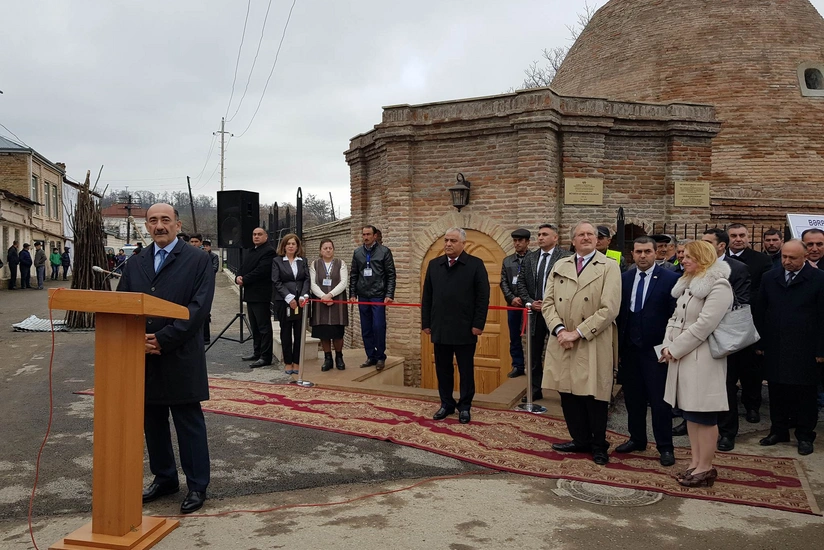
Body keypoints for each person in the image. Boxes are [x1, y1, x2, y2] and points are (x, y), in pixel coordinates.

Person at [118, 203, 215, 514]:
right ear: (146, 226)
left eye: (165, 220)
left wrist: (163, 339)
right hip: (143, 357)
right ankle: (165, 478)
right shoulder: (135, 263)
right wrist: (137, 340)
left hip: (180, 355)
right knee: (153, 422)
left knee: (188, 423)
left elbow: (198, 309)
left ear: (177, 224)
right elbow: (122, 304)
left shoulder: (198, 260)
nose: (159, 225)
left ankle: (197, 485)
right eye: (153, 221)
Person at [543, 221, 621, 465]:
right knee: (567, 392)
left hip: (591, 339)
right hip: (562, 339)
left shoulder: (609, 266)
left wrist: (577, 333)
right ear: (573, 240)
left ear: (597, 240)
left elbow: (609, 309)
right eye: (581, 234)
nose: (586, 238)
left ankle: (598, 445)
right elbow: (547, 303)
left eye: (590, 234)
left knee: (593, 395)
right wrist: (559, 330)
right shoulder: (560, 265)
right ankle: (579, 439)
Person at [660, 240, 734, 487]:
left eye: (689, 256)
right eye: (683, 256)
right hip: (682, 357)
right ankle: (695, 462)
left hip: (703, 360)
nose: (683, 260)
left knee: (705, 416)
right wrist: (666, 346)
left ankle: (706, 467)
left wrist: (675, 349)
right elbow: (675, 318)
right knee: (691, 414)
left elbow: (704, 325)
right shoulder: (688, 283)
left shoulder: (719, 285)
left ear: (702, 258)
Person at [616, 236, 680, 466]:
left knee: (660, 401)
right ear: (632, 254)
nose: (642, 256)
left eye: (647, 251)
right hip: (630, 350)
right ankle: (637, 439)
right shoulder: (624, 278)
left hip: (656, 351)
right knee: (633, 399)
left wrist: (669, 346)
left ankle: (665, 446)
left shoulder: (670, 279)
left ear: (656, 253)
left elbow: (675, 316)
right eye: (638, 252)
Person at [755, 240, 824, 455]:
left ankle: (804, 435)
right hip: (775, 344)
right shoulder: (770, 277)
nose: (786, 261)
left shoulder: (818, 279)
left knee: (805, 394)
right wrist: (760, 342)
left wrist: (821, 350)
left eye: (792, 258)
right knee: (776, 390)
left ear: (805, 257)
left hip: (805, 347)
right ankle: (778, 430)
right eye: (784, 256)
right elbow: (760, 310)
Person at [422, 228, 490, 424]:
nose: (448, 244)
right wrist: (426, 323)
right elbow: (427, 296)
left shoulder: (475, 264)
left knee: (466, 370)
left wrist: (478, 324)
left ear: (463, 244)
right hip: (440, 327)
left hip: (465, 328)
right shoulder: (434, 265)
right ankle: (446, 403)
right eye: (446, 240)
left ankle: (465, 406)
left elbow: (483, 297)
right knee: (443, 369)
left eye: (453, 241)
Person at [701, 228, 752, 451]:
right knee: (698, 382)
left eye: (708, 242)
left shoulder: (738, 268)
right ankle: (697, 421)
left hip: (723, 335)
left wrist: (710, 309)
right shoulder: (696, 265)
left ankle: (727, 431)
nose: (702, 246)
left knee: (725, 384)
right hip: (698, 334)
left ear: (721, 246)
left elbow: (741, 301)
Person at [725, 223, 773, 424]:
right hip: (724, 324)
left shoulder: (761, 260)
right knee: (728, 370)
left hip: (750, 320)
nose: (738, 239)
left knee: (751, 369)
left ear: (748, 237)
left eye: (742, 235)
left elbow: (763, 292)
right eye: (734, 235)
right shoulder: (720, 260)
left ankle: (752, 406)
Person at [516, 224, 571, 401]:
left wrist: (551, 304)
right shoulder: (530, 258)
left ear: (555, 238)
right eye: (539, 234)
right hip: (535, 313)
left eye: (545, 234)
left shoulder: (566, 257)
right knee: (533, 352)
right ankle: (535, 389)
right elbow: (521, 284)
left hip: (557, 313)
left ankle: (564, 392)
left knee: (560, 352)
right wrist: (531, 302)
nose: (540, 237)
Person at [350, 225, 396, 371]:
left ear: (375, 236)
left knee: (378, 326)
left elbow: (391, 274)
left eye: (368, 234)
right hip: (363, 294)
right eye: (364, 234)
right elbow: (354, 274)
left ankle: (381, 356)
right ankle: (371, 356)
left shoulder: (384, 252)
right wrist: (352, 294)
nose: (366, 237)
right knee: (366, 327)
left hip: (378, 295)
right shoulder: (357, 252)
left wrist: (389, 294)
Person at [236, 228, 276, 368]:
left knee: (263, 327)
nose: (256, 236)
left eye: (259, 234)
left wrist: (244, 279)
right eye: (254, 234)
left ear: (266, 236)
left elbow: (261, 271)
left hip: (261, 295)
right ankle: (257, 352)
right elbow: (243, 267)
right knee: (255, 327)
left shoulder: (269, 252)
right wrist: (238, 276)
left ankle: (266, 356)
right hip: (250, 294)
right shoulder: (252, 250)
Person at [272, 233, 310, 375]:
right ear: (284, 246)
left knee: (299, 332)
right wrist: (289, 298)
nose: (291, 246)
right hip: (284, 301)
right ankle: (288, 362)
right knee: (286, 332)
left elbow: (307, 279)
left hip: (300, 302)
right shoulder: (277, 261)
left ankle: (297, 362)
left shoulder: (303, 261)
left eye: (293, 244)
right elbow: (276, 281)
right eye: (288, 244)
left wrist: (303, 296)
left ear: (297, 246)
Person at [309, 239, 349, 371]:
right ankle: (328, 358)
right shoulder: (315, 264)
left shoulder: (341, 263)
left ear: (333, 250)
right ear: (320, 250)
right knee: (324, 332)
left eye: (330, 248)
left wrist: (330, 294)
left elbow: (343, 282)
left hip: (337, 302)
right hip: (321, 303)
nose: (328, 250)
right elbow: (312, 283)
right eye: (325, 248)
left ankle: (339, 357)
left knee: (337, 332)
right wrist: (323, 296)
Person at [500, 228, 531, 378]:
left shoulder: (533, 259)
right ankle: (517, 365)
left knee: (533, 336)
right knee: (514, 336)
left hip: (530, 305)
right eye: (515, 241)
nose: (517, 243)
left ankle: (534, 366)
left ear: (527, 242)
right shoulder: (507, 261)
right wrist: (512, 298)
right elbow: (503, 282)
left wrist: (526, 299)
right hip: (513, 305)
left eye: (520, 240)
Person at [202, 240, 220, 345]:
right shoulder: (199, 255)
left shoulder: (213, 256)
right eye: (203, 246)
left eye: (206, 246)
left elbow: (214, 268)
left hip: (209, 282)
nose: (204, 248)